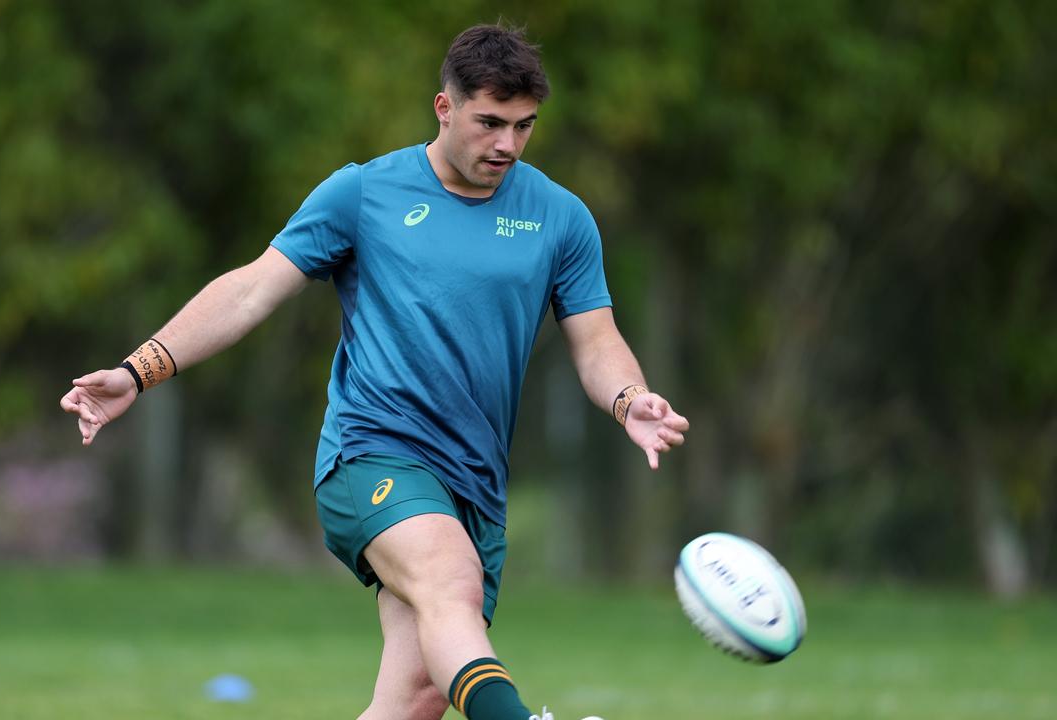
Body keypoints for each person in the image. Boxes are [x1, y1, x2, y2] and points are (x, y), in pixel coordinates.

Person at [60, 23, 689, 720]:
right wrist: (139, 369)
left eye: (523, 126)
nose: (507, 145)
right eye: (489, 123)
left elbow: (597, 341)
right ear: (444, 108)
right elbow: (250, 290)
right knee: (451, 589)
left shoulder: (560, 218)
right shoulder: (364, 193)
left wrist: (630, 400)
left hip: (474, 482)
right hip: (372, 456)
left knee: (417, 695)